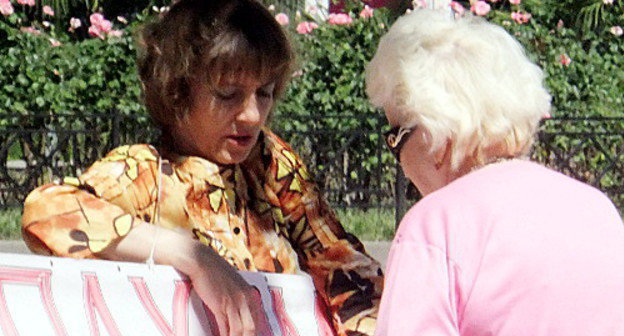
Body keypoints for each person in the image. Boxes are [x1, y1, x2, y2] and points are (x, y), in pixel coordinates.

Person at [21, 0, 383, 335]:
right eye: (228, 94)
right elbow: (46, 211)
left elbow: (347, 271)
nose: (253, 115)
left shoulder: (273, 163)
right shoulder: (146, 173)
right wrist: (193, 257)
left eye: (265, 92)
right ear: (176, 91)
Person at [366, 9, 624, 336]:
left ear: (434, 135)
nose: (398, 160)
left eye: (395, 137)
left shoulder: (436, 226)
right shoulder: (596, 209)